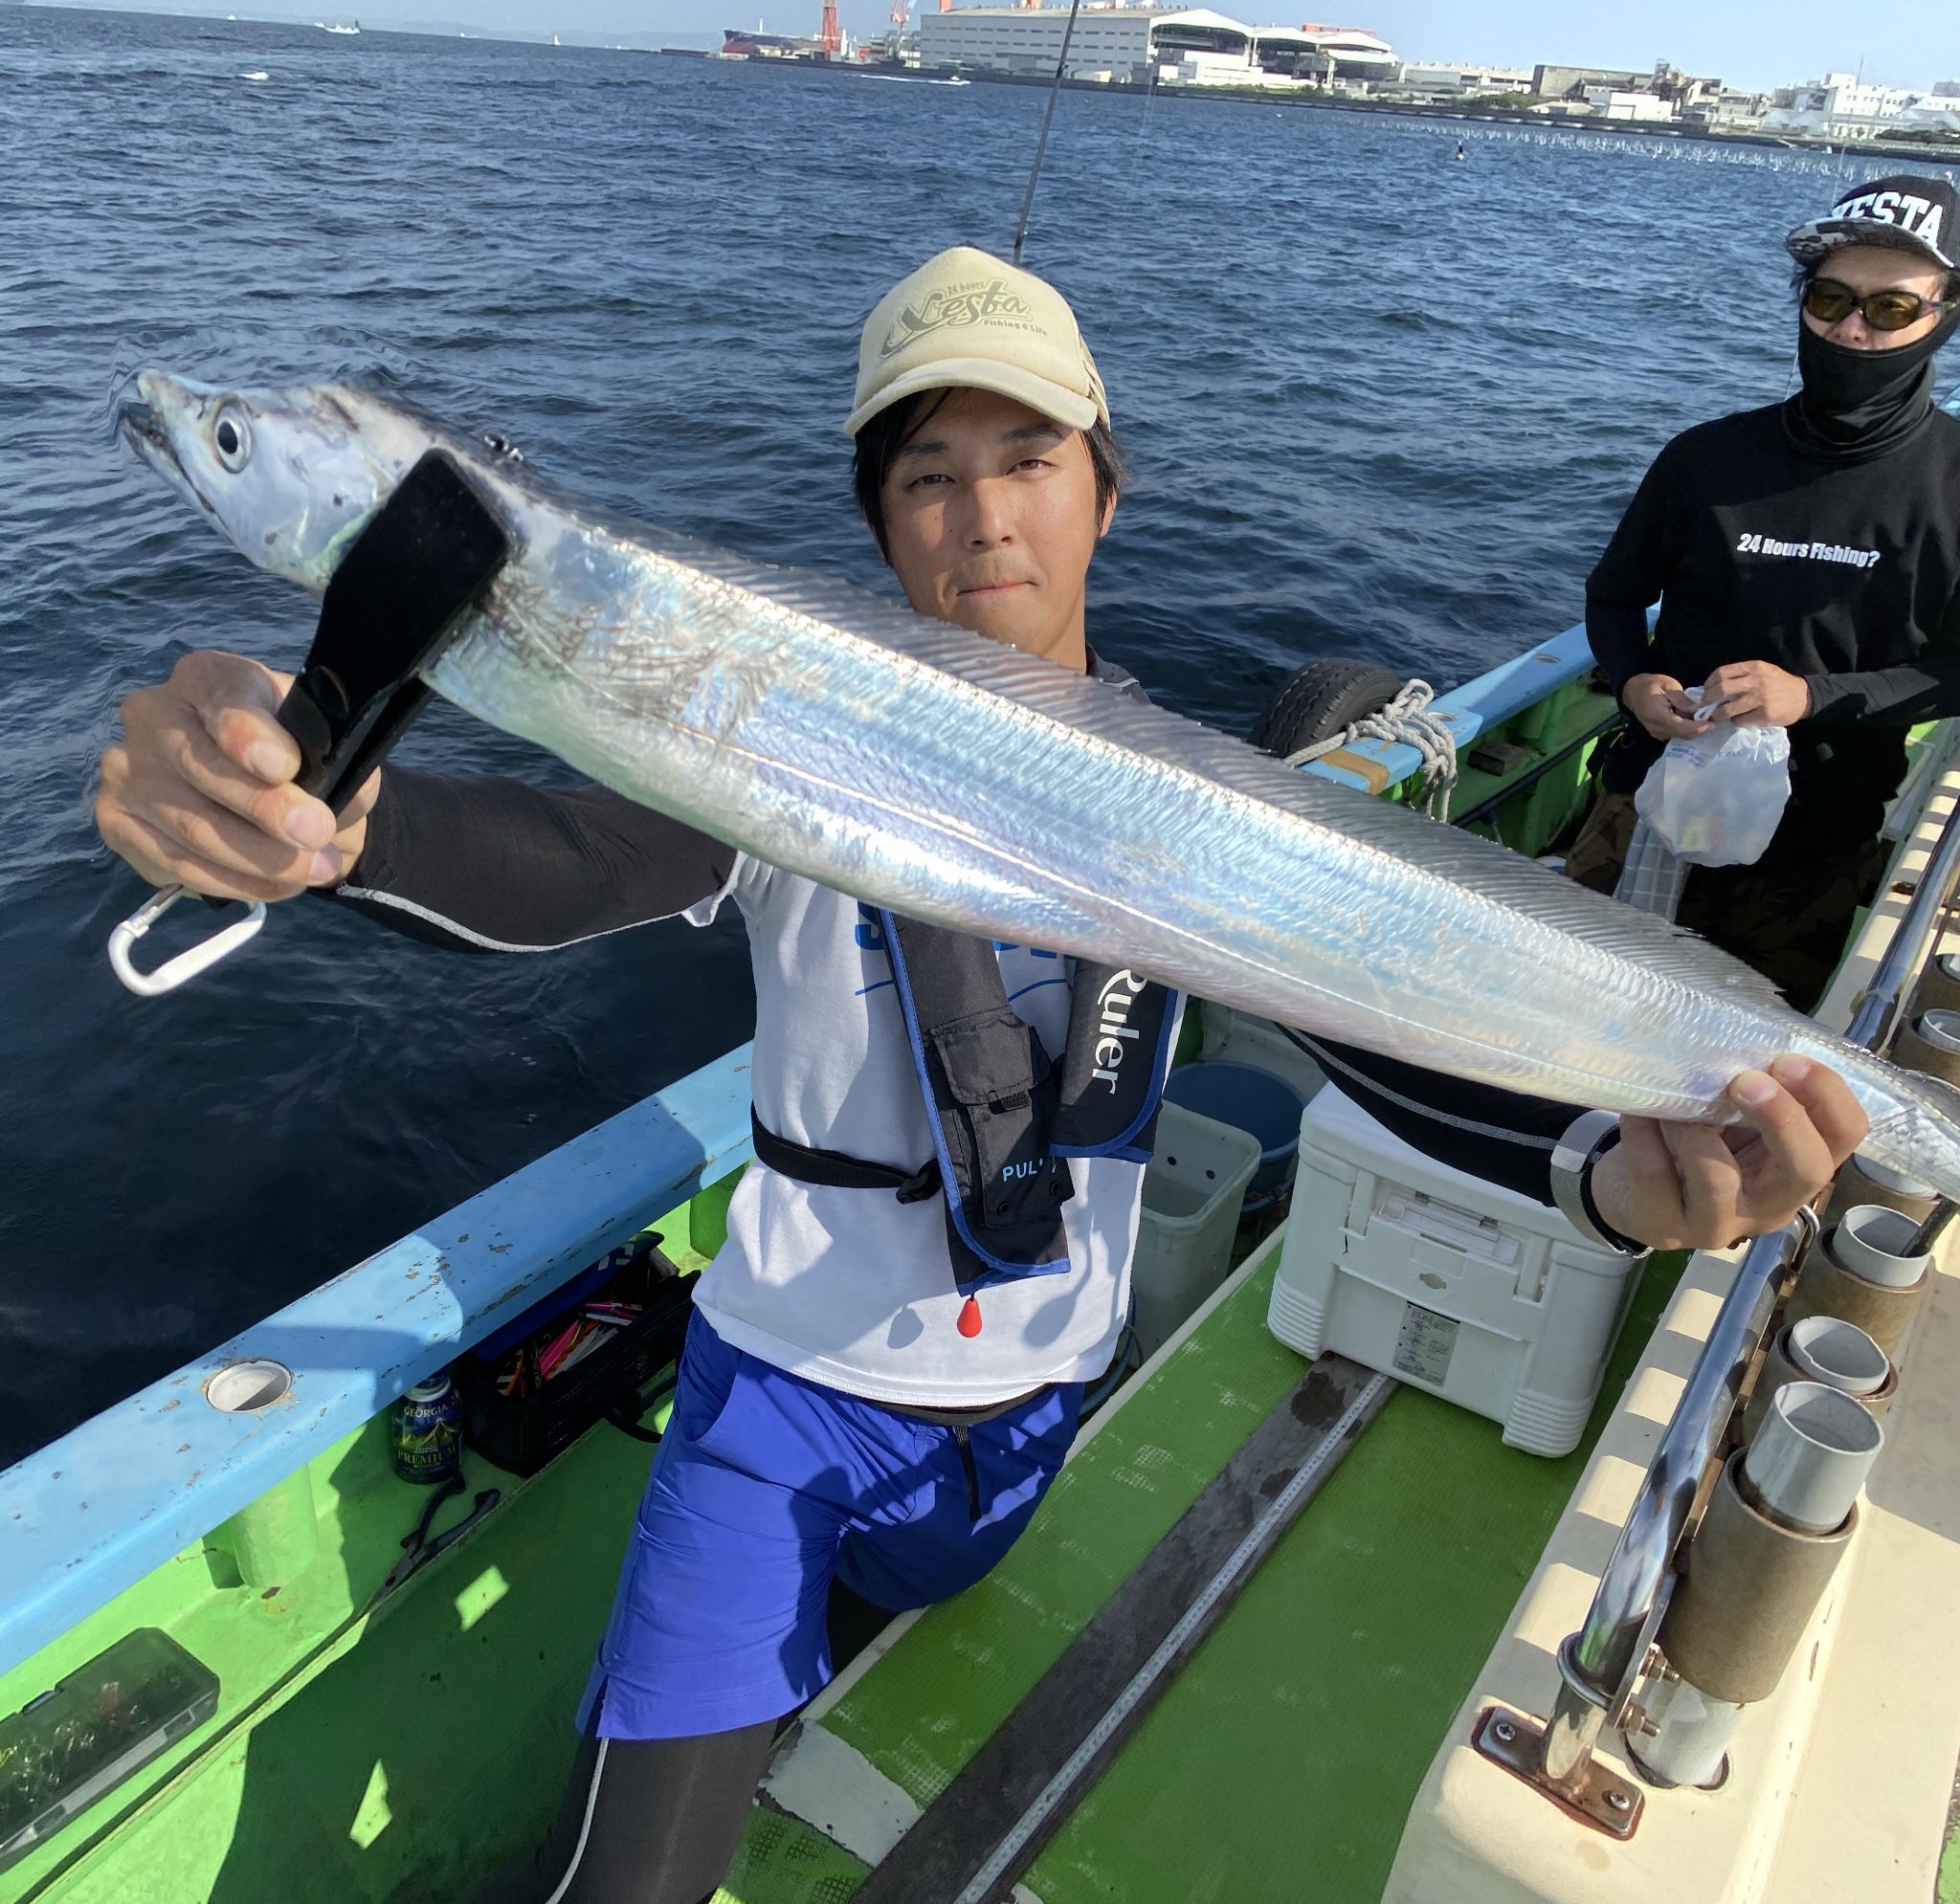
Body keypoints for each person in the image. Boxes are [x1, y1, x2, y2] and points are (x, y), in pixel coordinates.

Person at [95, 246, 1866, 1903]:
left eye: (1025, 455)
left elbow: (1378, 1043)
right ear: (880, 524)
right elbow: (563, 856)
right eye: (924, 473)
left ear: (1106, 485)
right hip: (776, 1412)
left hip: (1031, 1421)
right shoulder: (777, 736)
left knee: (901, 1638)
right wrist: (329, 818)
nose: (979, 511)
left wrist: (1623, 1184)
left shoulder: (1204, 804)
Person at [1568, 173, 1960, 1008]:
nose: (1852, 329)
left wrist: (1809, 697)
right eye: (1829, 298)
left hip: (1812, 848)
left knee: (1738, 1080)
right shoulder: (1707, 458)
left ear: (1944, 316)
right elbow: (1612, 598)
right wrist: (1634, 681)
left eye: (1891, 309)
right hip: (1646, 801)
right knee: (1570, 1013)